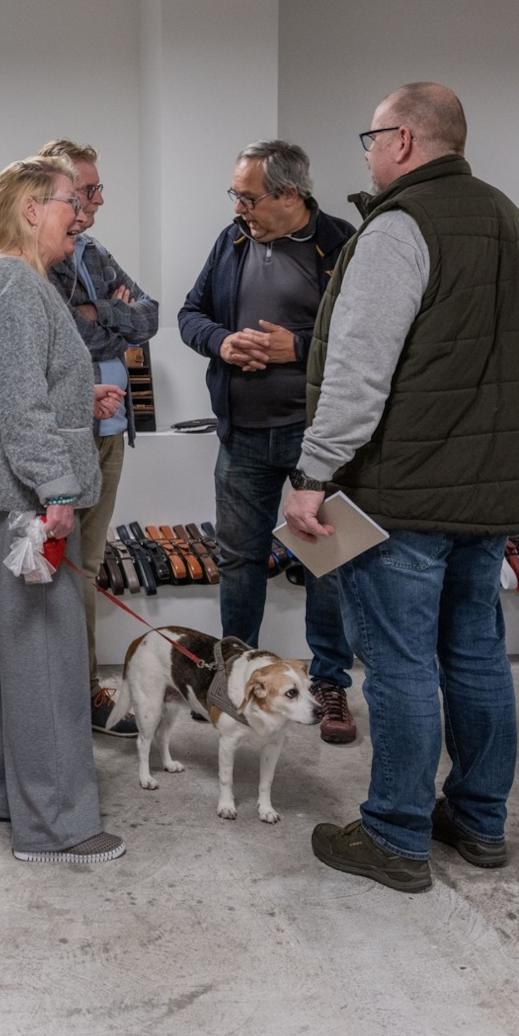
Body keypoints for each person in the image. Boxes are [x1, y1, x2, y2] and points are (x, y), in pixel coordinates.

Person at [282, 82, 519, 894]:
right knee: (477, 654)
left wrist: (312, 474)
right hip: (489, 490)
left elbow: (359, 370)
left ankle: (395, 835)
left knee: (399, 666)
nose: (366, 155)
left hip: (405, 491)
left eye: (371, 139)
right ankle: (479, 820)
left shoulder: (400, 227)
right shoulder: (512, 219)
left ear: (402, 140)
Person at [0, 154, 127, 866]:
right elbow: (20, 410)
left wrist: (78, 399)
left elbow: (13, 389)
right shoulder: (17, 287)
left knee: (10, 652)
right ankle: (55, 829)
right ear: (30, 210)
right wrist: (56, 490)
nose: (79, 217)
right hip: (28, 503)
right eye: (67, 203)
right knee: (47, 659)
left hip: (5, 498)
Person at [178, 140, 358, 744]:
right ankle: (238, 675)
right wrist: (222, 342)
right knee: (238, 561)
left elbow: (365, 337)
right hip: (243, 436)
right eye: (235, 195)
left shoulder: (342, 243)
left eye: (248, 197)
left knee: (326, 561)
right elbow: (190, 314)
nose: (239, 208)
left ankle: (328, 684)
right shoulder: (231, 241)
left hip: (319, 440)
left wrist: (296, 348)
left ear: (289, 194)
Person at [36, 139, 158, 738]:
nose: (99, 200)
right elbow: (62, 336)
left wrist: (99, 313)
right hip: (69, 432)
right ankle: (73, 694)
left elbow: (150, 318)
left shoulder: (94, 251)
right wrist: (108, 315)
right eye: (89, 190)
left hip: (111, 427)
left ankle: (77, 692)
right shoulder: (40, 258)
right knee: (65, 567)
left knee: (85, 563)